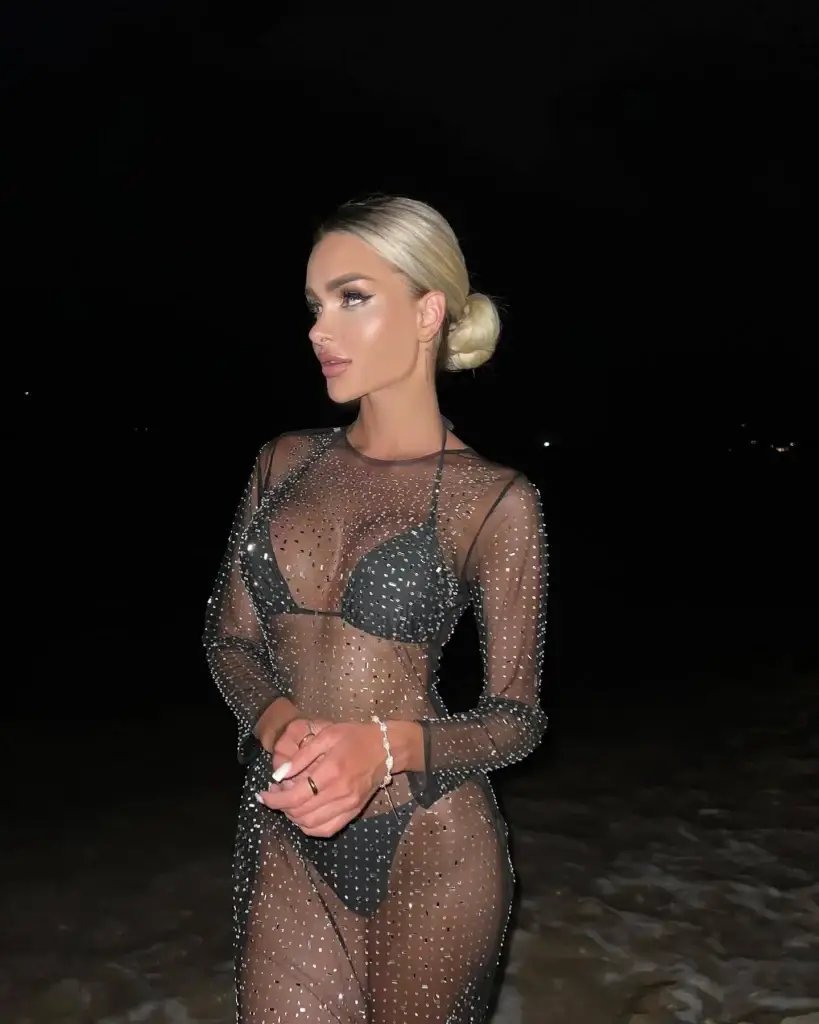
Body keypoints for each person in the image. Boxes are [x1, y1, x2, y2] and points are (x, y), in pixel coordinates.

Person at [203, 195, 549, 1023]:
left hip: (432, 843)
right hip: (289, 826)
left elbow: (515, 719)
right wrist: (282, 725)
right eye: (315, 305)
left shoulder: (494, 499)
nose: (319, 330)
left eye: (351, 298)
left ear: (427, 312)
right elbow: (230, 640)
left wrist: (383, 747)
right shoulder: (282, 463)